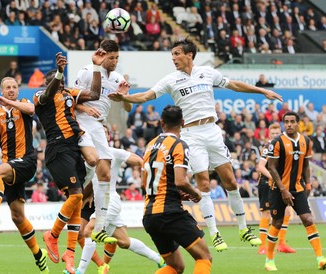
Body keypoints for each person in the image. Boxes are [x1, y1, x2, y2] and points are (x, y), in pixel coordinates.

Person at [109, 38, 282, 251]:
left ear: (189, 55)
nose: (173, 58)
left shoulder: (207, 72)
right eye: (172, 54)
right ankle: (215, 233)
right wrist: (124, 97)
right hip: (191, 133)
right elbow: (146, 96)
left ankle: (243, 228)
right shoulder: (170, 80)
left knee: (230, 182)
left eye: (177, 53)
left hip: (212, 130)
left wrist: (262, 91)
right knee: (204, 183)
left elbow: (234, 85)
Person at [34, 49, 107, 274]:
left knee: (75, 200)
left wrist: (96, 67)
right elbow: (48, 94)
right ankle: (52, 235)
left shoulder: (69, 93)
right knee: (76, 195)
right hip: (57, 148)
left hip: (73, 148)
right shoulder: (41, 96)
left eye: (62, 79)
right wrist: (58, 72)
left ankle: (69, 255)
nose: (61, 82)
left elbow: (94, 93)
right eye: (57, 79)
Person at [0, 77, 49, 273]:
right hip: (11, 167)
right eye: (8, 88)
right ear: (2, 90)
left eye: (14, 87)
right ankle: (38, 255)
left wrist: (8, 103)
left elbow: (32, 110)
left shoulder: (22, 105)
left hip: (27, 161)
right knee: (17, 216)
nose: (12, 90)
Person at [74, 126, 165, 274]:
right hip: (100, 203)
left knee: (89, 230)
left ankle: (80, 271)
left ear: (108, 137)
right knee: (124, 242)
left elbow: (140, 161)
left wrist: (150, 174)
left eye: (103, 133)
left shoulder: (113, 153)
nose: (99, 135)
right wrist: (89, 194)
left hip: (110, 201)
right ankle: (160, 259)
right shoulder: (89, 156)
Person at [73, 39, 131, 245]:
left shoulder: (117, 78)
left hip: (98, 127)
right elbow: (71, 99)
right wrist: (85, 108)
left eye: (117, 58)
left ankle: (99, 226)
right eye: (111, 57)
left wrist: (124, 97)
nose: (114, 61)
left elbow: (127, 109)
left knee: (105, 172)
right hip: (83, 122)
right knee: (94, 164)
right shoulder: (87, 71)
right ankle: (78, 199)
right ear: (102, 55)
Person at [142, 105, 211, 274]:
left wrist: (176, 192)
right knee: (204, 257)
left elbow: (145, 182)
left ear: (161, 122)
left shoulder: (151, 145)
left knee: (176, 267)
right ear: (183, 122)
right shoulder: (179, 145)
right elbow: (181, 180)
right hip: (169, 212)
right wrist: (196, 194)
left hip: (150, 214)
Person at [265, 111, 326, 271]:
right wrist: (283, 189)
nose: (289, 124)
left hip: (297, 188)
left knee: (308, 219)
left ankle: (320, 258)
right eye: (287, 122)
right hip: (278, 189)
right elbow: (271, 167)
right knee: (277, 223)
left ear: (298, 123)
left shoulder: (306, 141)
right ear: (284, 123)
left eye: (292, 121)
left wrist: (307, 184)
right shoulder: (277, 141)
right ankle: (269, 260)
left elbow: (306, 166)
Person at [256, 123, 295, 255]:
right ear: (269, 135)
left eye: (277, 133)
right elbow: (260, 167)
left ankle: (282, 244)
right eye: (272, 134)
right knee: (267, 214)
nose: (275, 136)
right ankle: (262, 246)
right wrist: (272, 177)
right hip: (266, 183)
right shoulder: (268, 147)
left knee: (287, 213)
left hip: (279, 184)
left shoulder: (283, 147)